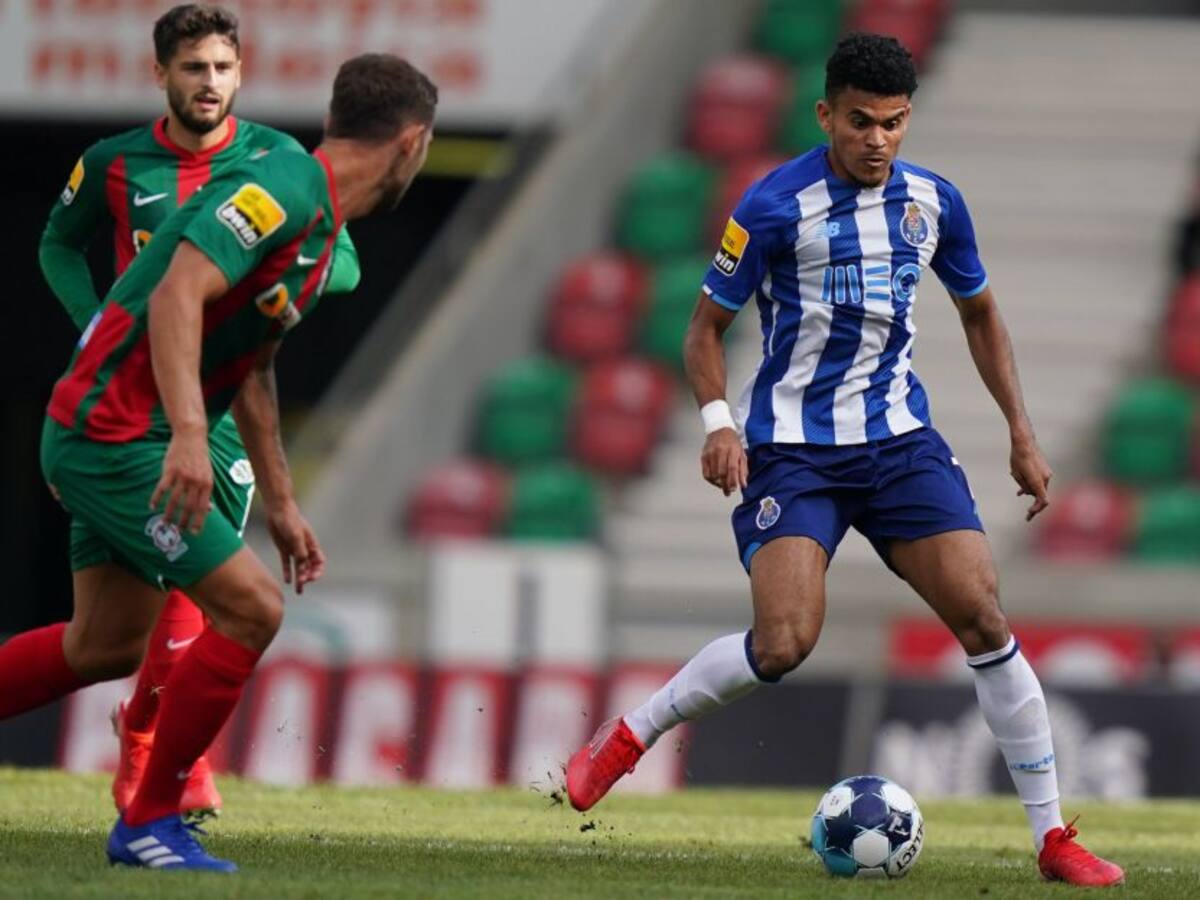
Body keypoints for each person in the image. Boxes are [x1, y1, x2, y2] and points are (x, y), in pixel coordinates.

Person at [566, 33, 1123, 888]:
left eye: (894, 124)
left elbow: (980, 313)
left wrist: (1021, 430)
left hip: (899, 445)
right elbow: (703, 328)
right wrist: (719, 423)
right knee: (784, 642)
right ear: (826, 114)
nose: (877, 141)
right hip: (793, 454)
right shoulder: (771, 205)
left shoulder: (934, 203)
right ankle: (629, 736)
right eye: (860, 122)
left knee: (983, 616)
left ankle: (1053, 840)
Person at [0, 51, 436, 872]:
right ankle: (151, 820)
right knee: (252, 610)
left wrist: (281, 502)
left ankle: (151, 811)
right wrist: (192, 440)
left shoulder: (319, 226)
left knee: (104, 646)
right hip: (116, 436)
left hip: (121, 433)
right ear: (412, 143)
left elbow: (253, 362)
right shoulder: (284, 189)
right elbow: (176, 293)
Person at [38, 2, 361, 824]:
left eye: (221, 67)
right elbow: (56, 244)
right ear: (162, 76)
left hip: (213, 403)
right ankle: (148, 743)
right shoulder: (113, 165)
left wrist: (268, 291)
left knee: (202, 578)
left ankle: (148, 743)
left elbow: (344, 260)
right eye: (192, 68)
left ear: (241, 72)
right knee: (107, 639)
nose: (208, 82)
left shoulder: (273, 164)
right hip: (128, 400)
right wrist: (99, 321)